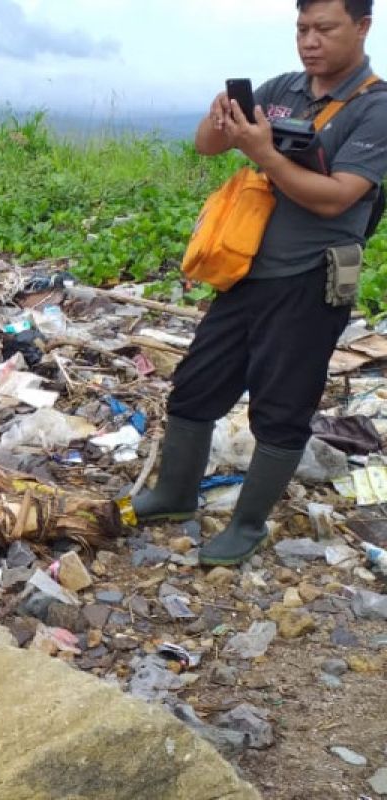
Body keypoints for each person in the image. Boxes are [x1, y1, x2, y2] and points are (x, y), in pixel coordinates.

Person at [130, 0, 387, 565]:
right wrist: (220, 118)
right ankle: (174, 494)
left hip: (310, 280)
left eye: (325, 28)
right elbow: (207, 146)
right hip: (245, 270)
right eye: (302, 28)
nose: (310, 41)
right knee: (196, 384)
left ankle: (248, 524)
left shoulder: (376, 109)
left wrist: (263, 153)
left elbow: (337, 197)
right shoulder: (281, 88)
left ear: (363, 27)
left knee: (281, 405)